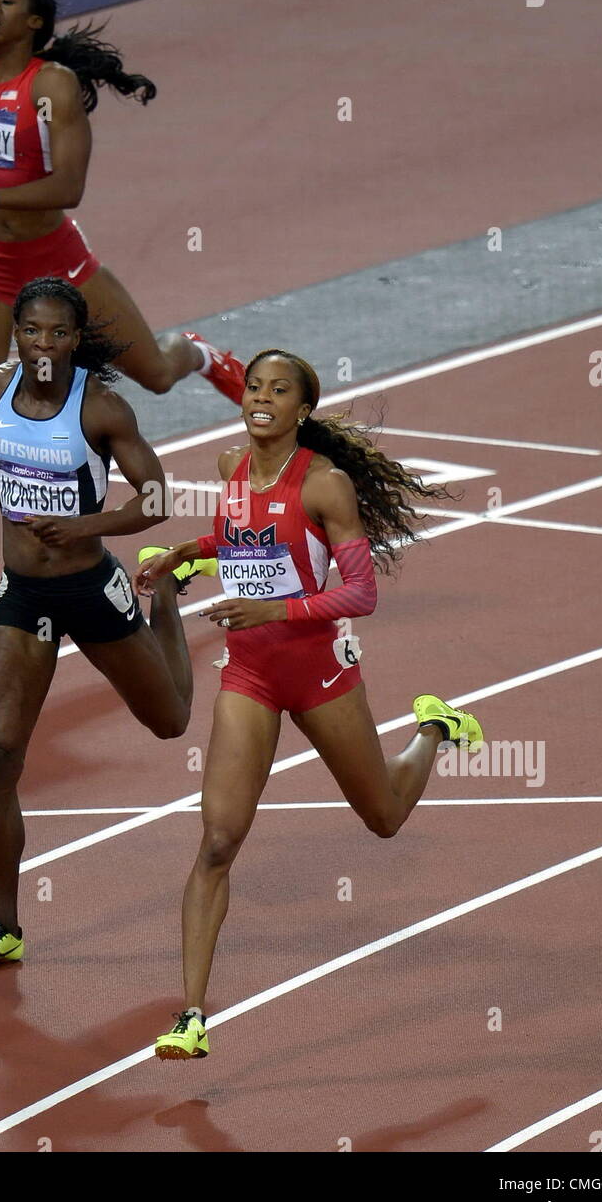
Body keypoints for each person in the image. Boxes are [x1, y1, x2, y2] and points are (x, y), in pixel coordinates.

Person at [133, 349, 483, 1059]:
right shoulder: (230, 462)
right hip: (251, 678)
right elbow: (239, 537)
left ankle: (434, 729)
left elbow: (360, 594)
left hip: (320, 671)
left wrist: (274, 610)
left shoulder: (326, 487)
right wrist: (186, 553)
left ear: (303, 408)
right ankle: (191, 1015)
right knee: (218, 842)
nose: (261, 397)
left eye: (278, 389)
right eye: (255, 385)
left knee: (383, 818)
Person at [0, 0, 244, 628]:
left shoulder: (54, 86)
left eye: (6, 0)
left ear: (36, 23)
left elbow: (67, 186)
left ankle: (194, 352)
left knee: (155, 376)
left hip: (58, 263)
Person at [0, 278, 216, 972]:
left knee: (171, 722)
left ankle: (168, 595)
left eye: (59, 333)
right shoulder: (5, 386)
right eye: (33, 331)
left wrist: (86, 526)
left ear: (77, 339)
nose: (45, 345)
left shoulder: (101, 409)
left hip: (90, 588)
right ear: (16, 335)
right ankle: (4, 926)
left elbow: (157, 497)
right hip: (24, 595)